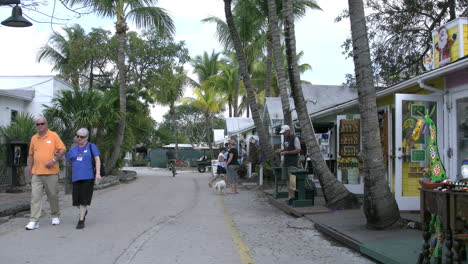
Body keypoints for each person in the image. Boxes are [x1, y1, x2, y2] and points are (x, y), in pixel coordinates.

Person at [25, 117, 66, 230]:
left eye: (42, 123)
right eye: (38, 124)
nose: (40, 126)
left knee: (52, 195)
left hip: (51, 172)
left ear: (46, 124)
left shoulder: (53, 136)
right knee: (35, 197)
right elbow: (31, 155)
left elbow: (62, 149)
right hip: (37, 173)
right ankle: (34, 220)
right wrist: (30, 170)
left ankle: (55, 215)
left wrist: (53, 160)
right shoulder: (34, 138)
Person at [65, 128, 102, 229]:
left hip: (88, 177)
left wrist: (98, 173)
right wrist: (57, 154)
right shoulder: (73, 148)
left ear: (87, 137)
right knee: (76, 201)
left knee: (83, 200)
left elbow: (97, 159)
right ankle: (84, 211)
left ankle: (81, 220)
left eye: (82, 137)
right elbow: (66, 158)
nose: (79, 138)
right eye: (77, 136)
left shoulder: (91, 146)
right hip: (76, 178)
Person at [277, 125, 301, 199]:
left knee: (292, 179)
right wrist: (282, 150)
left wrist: (286, 152)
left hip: (293, 162)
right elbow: (287, 148)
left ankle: (293, 196)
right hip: (286, 161)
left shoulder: (295, 138)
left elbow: (298, 150)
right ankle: (289, 195)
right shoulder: (285, 138)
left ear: (288, 131)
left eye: (284, 132)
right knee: (287, 179)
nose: (283, 134)